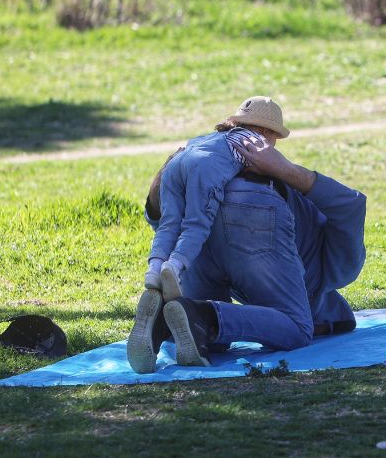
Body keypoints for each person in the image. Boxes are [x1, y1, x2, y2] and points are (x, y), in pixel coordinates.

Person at [127, 114, 367, 373]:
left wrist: (168, 173)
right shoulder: (338, 270)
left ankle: (169, 318)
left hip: (206, 222)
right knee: (297, 329)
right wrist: (282, 168)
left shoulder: (217, 150)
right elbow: (352, 203)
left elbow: (163, 220)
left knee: (208, 337)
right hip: (255, 207)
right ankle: (202, 316)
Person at [144, 97, 286, 302]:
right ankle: (174, 267)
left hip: (176, 162)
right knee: (196, 223)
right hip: (204, 168)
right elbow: (268, 171)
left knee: (170, 223)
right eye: (275, 137)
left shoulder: (217, 136)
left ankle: (154, 269)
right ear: (267, 131)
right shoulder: (255, 142)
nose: (273, 144)